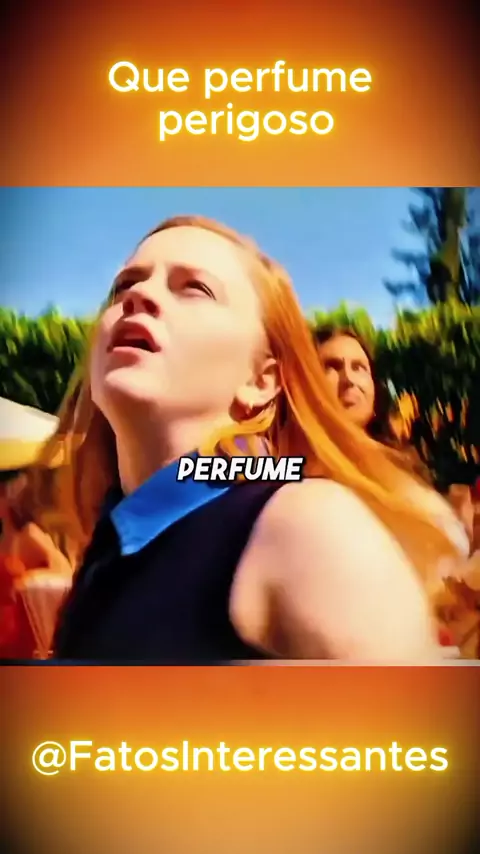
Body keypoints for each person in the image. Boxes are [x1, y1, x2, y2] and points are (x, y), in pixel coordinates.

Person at [18, 215, 467, 663]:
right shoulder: (109, 549)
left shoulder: (304, 524)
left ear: (260, 380)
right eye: (124, 286)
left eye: (195, 288)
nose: (139, 296)